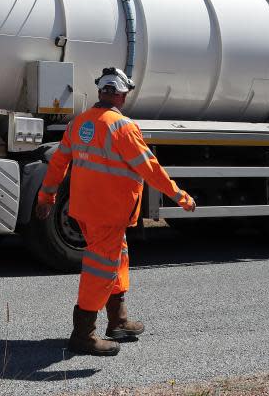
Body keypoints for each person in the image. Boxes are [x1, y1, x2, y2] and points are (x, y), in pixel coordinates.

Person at [36, 67, 197, 356]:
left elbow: (59, 163)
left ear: (101, 92)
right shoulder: (122, 128)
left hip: (85, 210)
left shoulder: (78, 123)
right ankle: (83, 335)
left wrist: (47, 196)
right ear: (122, 96)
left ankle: (118, 321)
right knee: (100, 269)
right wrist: (180, 196)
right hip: (108, 213)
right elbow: (150, 169)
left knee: (118, 259)